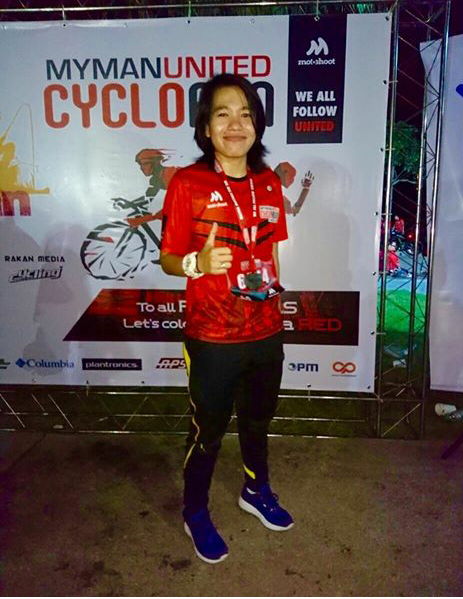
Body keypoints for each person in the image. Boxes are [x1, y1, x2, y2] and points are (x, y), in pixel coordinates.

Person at [160, 73, 293, 564]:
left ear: (257, 124)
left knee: (258, 422)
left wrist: (274, 303)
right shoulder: (188, 183)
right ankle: (195, 510)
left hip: (265, 330)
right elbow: (168, 258)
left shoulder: (269, 182)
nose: (235, 124)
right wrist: (197, 263)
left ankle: (255, 491)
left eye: (245, 114)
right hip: (212, 335)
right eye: (223, 114)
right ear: (206, 128)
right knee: (208, 432)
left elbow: (271, 251)